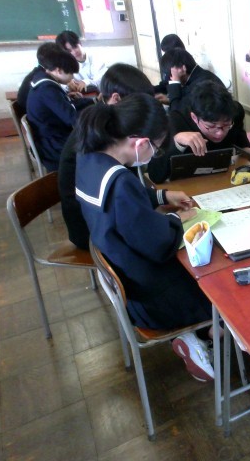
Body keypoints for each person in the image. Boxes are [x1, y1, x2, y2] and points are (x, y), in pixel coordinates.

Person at [74, 93, 215, 382]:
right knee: (216, 285)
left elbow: (125, 206)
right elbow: (158, 244)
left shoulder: (90, 158)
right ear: (140, 144)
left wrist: (162, 196)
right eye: (157, 149)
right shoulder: (122, 183)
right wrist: (179, 220)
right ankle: (203, 335)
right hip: (150, 297)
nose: (154, 155)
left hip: (127, 275)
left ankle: (199, 335)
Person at [58, 63, 157, 250]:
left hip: (106, 217)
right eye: (138, 107)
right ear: (116, 99)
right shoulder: (97, 138)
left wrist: (161, 196)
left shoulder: (102, 123)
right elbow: (123, 198)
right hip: (92, 232)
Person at [147, 80, 250, 183]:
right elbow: (155, 175)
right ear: (194, 117)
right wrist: (177, 144)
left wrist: (246, 148)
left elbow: (239, 135)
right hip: (188, 183)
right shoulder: (175, 122)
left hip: (223, 179)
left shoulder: (235, 112)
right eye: (211, 126)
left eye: (226, 125)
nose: (220, 133)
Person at [26, 43, 95, 172]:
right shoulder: (47, 89)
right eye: (71, 73)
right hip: (52, 146)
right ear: (58, 70)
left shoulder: (43, 79)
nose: (73, 77)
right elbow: (72, 118)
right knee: (97, 146)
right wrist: (96, 112)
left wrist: (91, 102)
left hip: (51, 137)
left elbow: (64, 106)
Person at [161, 47, 226, 113]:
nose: (170, 78)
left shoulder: (200, 85)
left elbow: (176, 114)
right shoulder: (199, 76)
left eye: (171, 74)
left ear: (182, 69)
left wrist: (175, 82)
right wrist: (170, 100)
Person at [154, 34, 186, 102]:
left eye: (167, 52)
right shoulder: (170, 64)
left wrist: (169, 100)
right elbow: (165, 84)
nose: (165, 55)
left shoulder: (183, 66)